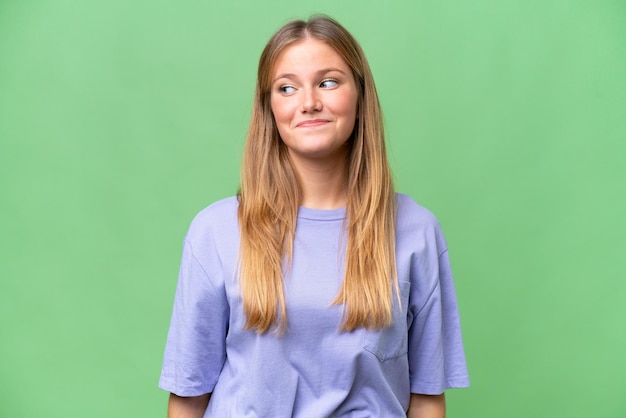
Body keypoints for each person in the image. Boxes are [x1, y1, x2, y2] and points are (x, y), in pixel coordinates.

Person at [159, 15, 469, 418]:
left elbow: (427, 398)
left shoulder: (416, 230)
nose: (309, 103)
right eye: (286, 88)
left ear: (360, 96)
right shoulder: (214, 232)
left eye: (328, 82)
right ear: (269, 109)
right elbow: (188, 398)